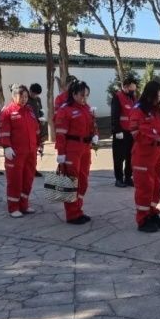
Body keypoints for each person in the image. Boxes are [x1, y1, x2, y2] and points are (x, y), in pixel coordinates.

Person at [54, 81, 98, 224]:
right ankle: (72, 214)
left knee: (83, 181)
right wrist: (61, 153)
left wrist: (95, 134)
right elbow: (60, 134)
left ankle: (78, 209)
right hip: (71, 148)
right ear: (73, 94)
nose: (84, 98)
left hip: (85, 147)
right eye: (82, 95)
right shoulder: (65, 110)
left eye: (86, 95)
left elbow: (92, 124)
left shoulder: (86, 108)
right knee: (71, 181)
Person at [130, 81, 160, 233]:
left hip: (157, 153)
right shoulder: (138, 110)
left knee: (156, 185)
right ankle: (142, 218)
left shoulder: (156, 111)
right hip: (143, 153)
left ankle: (152, 213)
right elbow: (136, 132)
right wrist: (154, 137)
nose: (159, 99)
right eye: (157, 96)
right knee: (144, 187)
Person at [0, 84, 40, 217]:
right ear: (14, 96)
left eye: (26, 97)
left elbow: (35, 129)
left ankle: (24, 205)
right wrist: (6, 146)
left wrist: (39, 144)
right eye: (21, 96)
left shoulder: (29, 110)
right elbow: (3, 130)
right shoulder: (7, 111)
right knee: (15, 180)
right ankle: (13, 207)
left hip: (30, 152)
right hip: (15, 153)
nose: (24, 99)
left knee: (28, 179)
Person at [111, 77, 138, 188]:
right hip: (121, 132)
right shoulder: (118, 97)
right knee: (119, 157)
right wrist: (117, 130)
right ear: (126, 87)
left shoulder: (133, 98)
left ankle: (128, 177)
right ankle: (118, 179)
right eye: (132, 88)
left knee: (130, 156)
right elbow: (115, 115)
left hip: (131, 132)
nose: (133, 91)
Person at [28, 83, 49, 177]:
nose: (35, 96)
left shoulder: (38, 100)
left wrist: (42, 117)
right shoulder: (25, 99)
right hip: (28, 127)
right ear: (30, 91)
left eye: (37, 94)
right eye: (34, 93)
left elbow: (40, 111)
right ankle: (28, 169)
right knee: (28, 150)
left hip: (37, 127)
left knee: (35, 149)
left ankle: (33, 169)